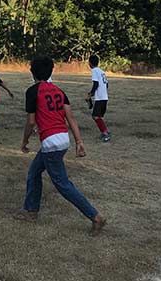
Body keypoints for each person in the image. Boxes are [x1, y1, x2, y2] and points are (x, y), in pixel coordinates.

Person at [14, 56, 106, 232]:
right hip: (63, 139)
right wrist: (79, 142)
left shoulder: (32, 91)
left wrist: (24, 141)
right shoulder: (59, 91)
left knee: (63, 184)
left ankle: (95, 216)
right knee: (34, 172)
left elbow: (31, 122)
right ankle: (31, 211)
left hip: (51, 143)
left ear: (32, 72)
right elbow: (70, 118)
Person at [87, 54, 111, 142]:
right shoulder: (102, 71)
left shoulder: (94, 71)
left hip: (100, 98)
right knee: (99, 116)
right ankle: (106, 131)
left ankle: (105, 133)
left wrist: (91, 94)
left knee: (95, 116)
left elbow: (96, 84)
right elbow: (106, 84)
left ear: (90, 63)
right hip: (104, 97)